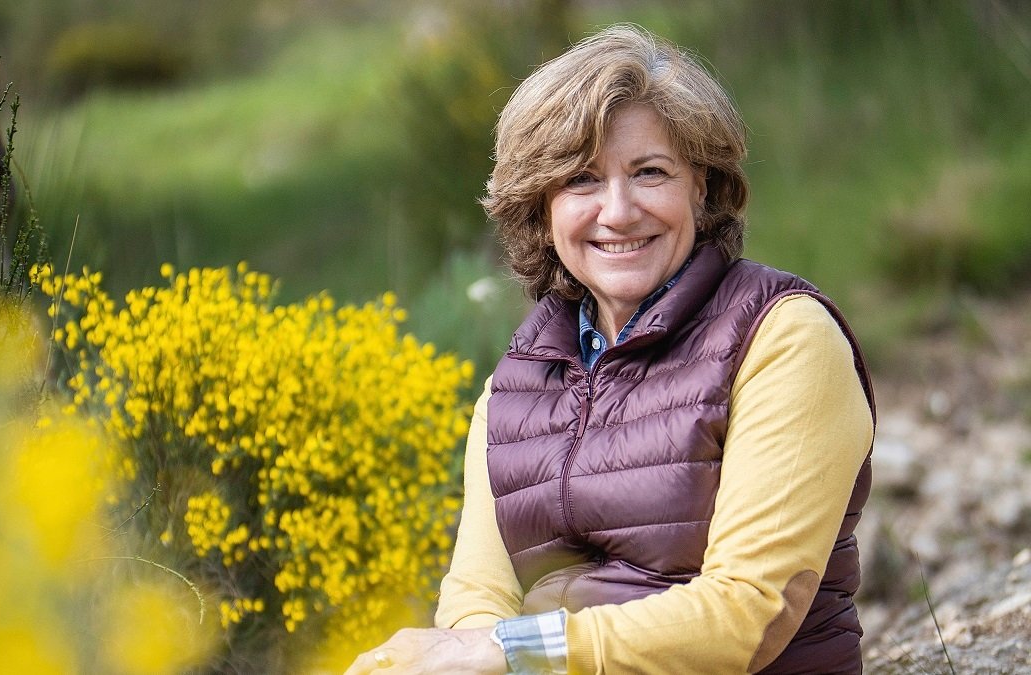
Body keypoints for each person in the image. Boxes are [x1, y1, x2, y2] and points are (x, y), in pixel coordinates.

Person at [347, 23, 873, 675]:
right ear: (539, 207)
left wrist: (509, 651)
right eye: (582, 180)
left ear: (701, 187)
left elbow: (745, 614)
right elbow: (477, 601)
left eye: (649, 172)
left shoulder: (784, 338)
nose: (618, 211)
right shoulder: (510, 388)